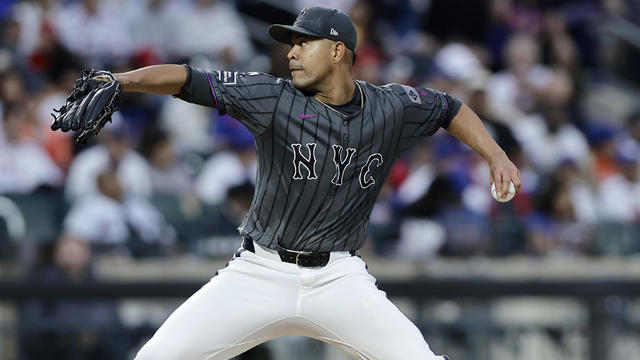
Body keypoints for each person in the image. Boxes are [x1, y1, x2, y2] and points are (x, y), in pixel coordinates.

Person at [52, 6, 521, 360]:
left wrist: (496, 155)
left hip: (339, 277)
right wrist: (122, 79)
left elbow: (448, 109)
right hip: (259, 272)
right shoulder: (273, 97)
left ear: (338, 51)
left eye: (304, 42)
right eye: (290, 43)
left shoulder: (390, 106)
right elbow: (189, 79)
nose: (291, 52)